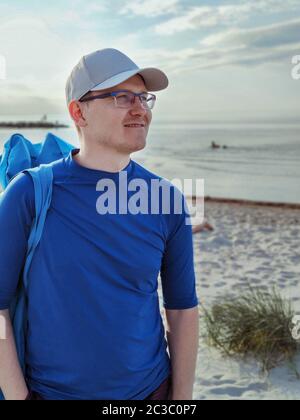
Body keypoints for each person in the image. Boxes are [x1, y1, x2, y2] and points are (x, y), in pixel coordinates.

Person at [0, 48, 199, 400]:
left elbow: (182, 310)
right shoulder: (30, 193)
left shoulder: (167, 201)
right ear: (78, 112)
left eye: (144, 97)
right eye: (121, 97)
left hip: (149, 392)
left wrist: (180, 399)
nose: (140, 108)